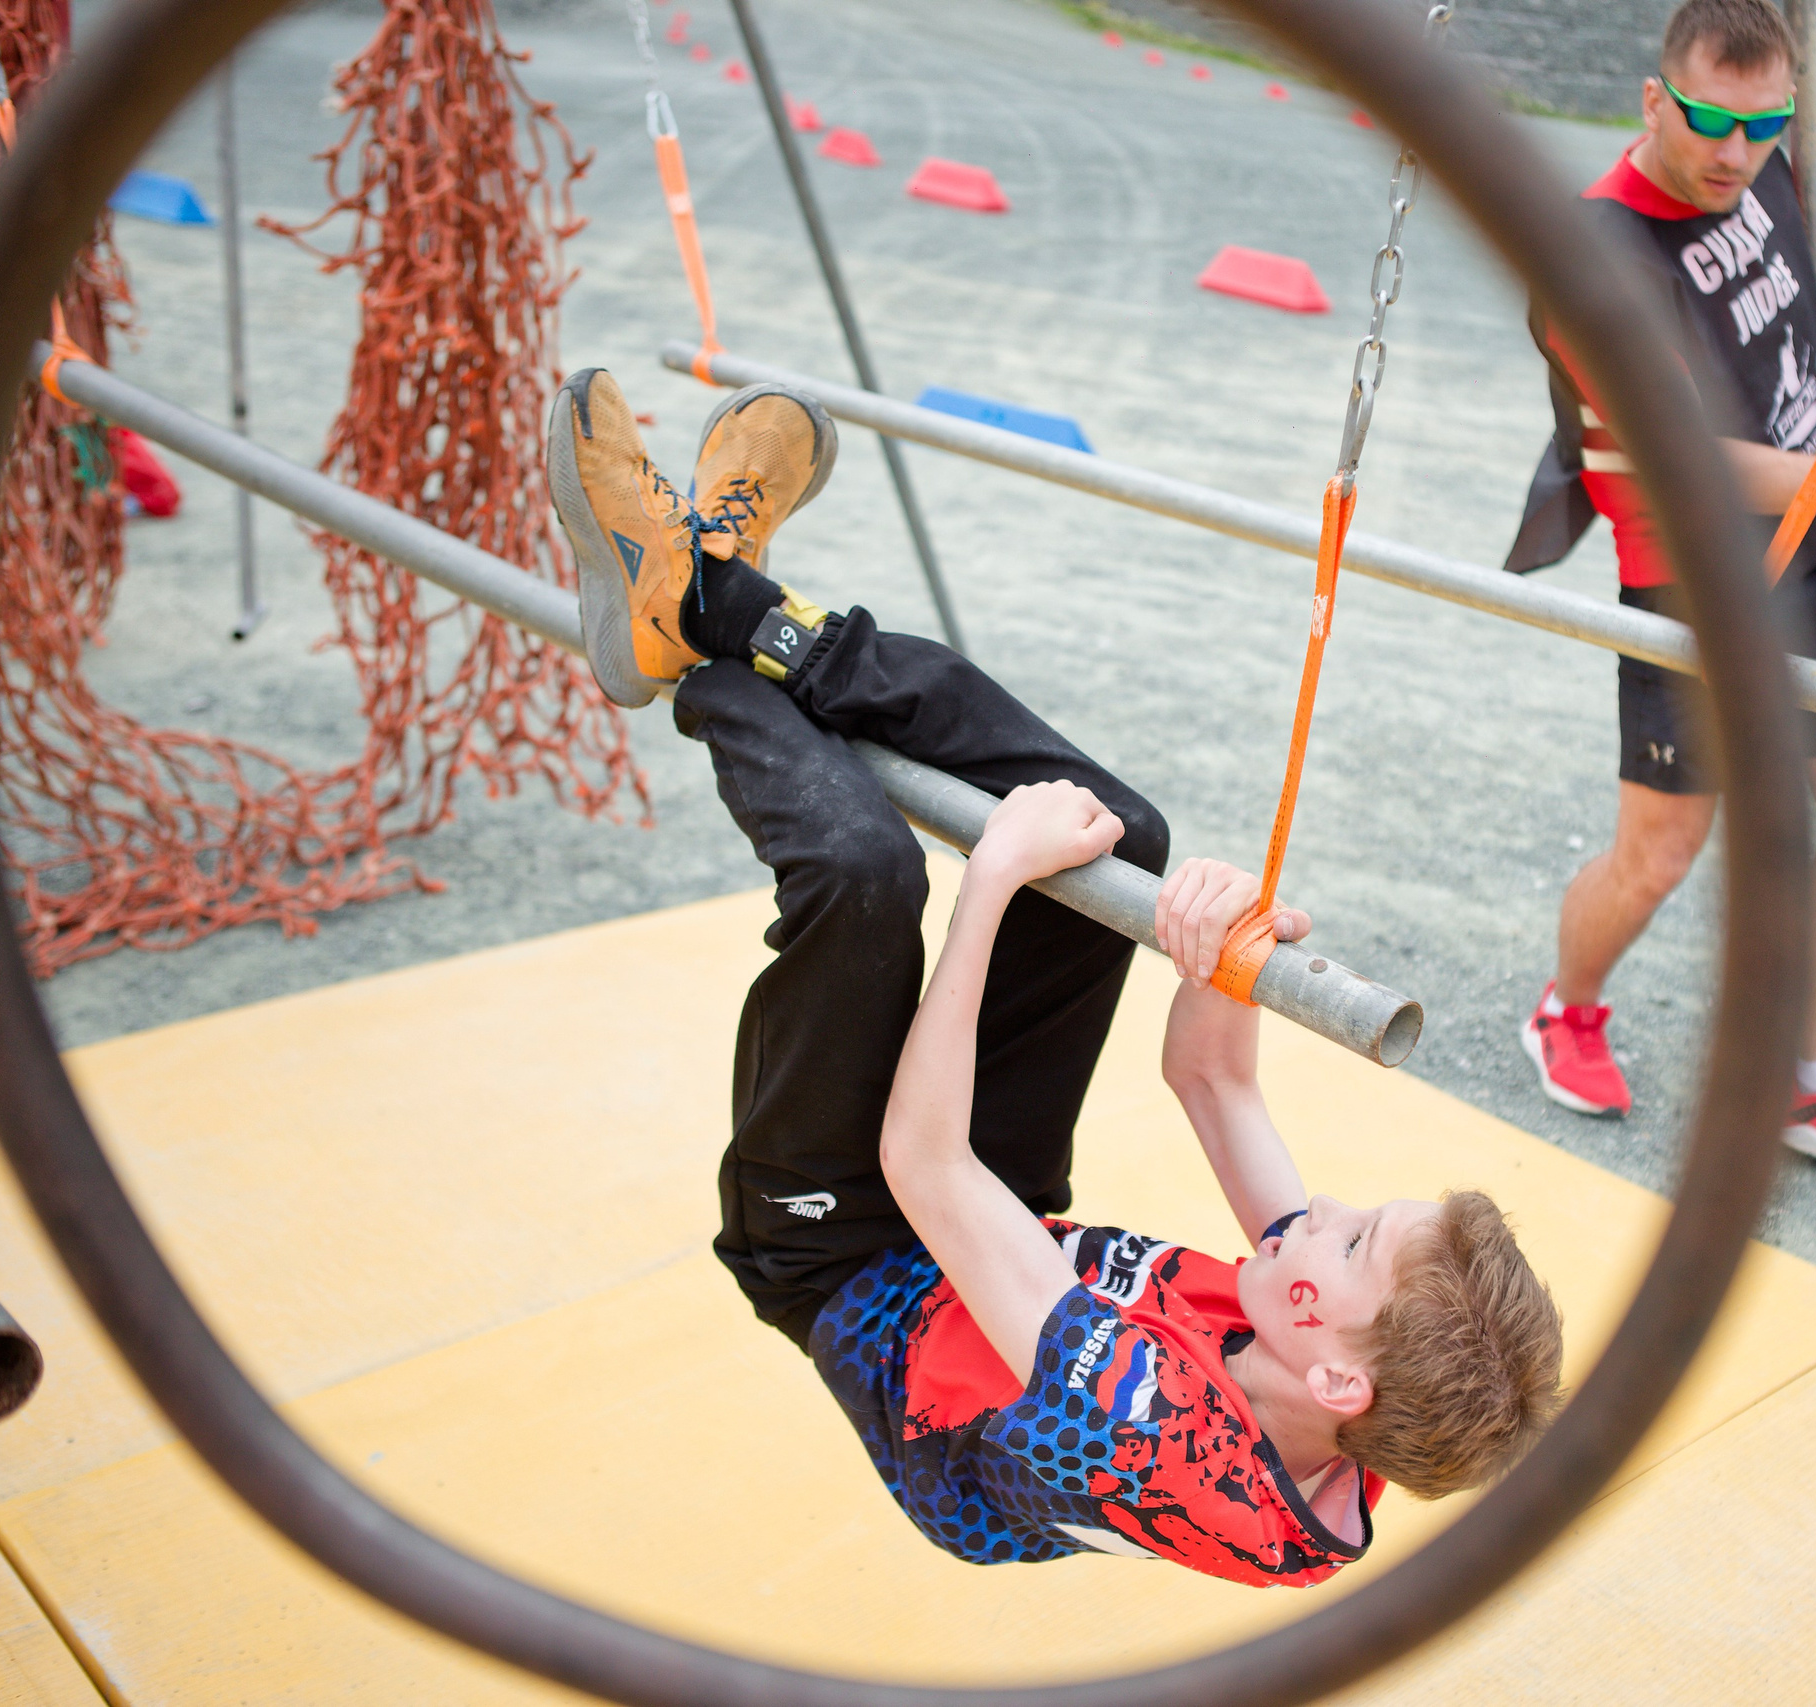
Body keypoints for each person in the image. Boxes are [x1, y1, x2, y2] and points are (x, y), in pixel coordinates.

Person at [545, 368, 1563, 1585]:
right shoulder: (1363, 1367)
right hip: (1003, 1221)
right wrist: (1221, 949)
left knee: (871, 879)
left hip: (844, 1255)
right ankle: (741, 608)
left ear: (1330, 1361)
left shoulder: (1143, 1422)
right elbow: (1212, 1082)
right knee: (1122, 846)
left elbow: (920, 1167)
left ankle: (695, 624)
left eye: (1343, 1240)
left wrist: (993, 883)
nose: (1317, 1217)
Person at [1502, 0, 1816, 1198]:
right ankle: (1569, 1008)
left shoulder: (1764, 165)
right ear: (1653, 100)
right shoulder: (1598, 259)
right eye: (1709, 120)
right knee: (1660, 852)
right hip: (1697, 576)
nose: (1735, 151)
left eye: (1764, 125)